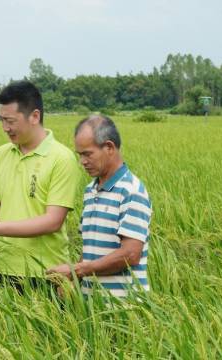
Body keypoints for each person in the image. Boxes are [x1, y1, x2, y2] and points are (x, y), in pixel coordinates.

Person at [0, 81, 81, 292]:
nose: (5, 128)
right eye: (1, 120)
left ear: (34, 116)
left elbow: (53, 221)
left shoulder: (61, 158)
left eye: (10, 121)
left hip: (45, 272)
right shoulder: (1, 154)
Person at [47, 115, 152, 297]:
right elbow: (89, 250)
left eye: (88, 154)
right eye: (79, 155)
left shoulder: (131, 191)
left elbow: (130, 254)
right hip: (93, 308)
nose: (82, 161)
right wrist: (73, 281)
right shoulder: (90, 191)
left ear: (109, 147)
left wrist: (75, 270)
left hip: (124, 308)